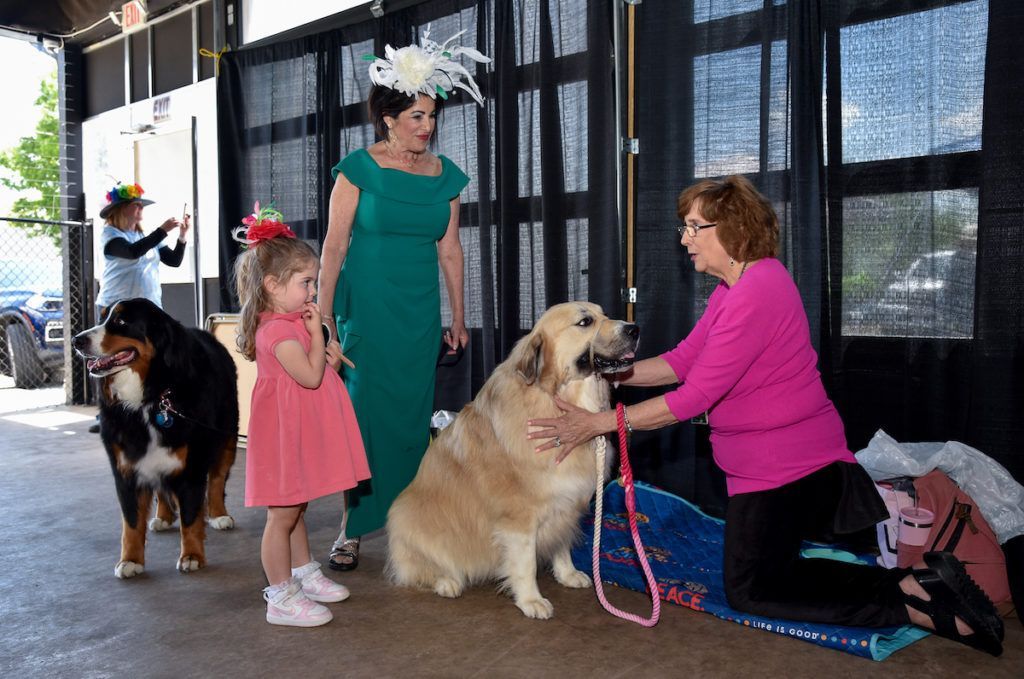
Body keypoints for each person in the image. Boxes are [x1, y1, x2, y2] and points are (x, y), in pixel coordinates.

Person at [527, 175, 1004, 655]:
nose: (684, 238)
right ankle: (918, 585)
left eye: (694, 226)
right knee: (776, 574)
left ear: (731, 228)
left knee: (752, 590)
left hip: (788, 469)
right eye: (684, 227)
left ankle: (916, 604)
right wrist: (605, 372)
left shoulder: (756, 293)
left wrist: (597, 423)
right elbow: (682, 361)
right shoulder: (734, 289)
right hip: (770, 467)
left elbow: (693, 397)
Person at [317, 30, 489, 571]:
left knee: (413, 421)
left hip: (418, 312)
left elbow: (451, 249)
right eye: (417, 115)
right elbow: (333, 247)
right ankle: (351, 526)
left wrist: (459, 315)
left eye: (431, 116)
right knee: (366, 416)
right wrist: (323, 317)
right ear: (388, 118)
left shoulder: (445, 176)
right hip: (367, 308)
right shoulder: (358, 169)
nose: (426, 125)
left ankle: (411, 524)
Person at [233, 204, 370, 627]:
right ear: (272, 285)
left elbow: (315, 375)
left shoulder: (290, 320)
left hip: (296, 432)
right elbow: (310, 377)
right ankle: (280, 595)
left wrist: (327, 356)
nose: (313, 291)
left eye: (313, 281)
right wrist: (316, 337)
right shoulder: (278, 330)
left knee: (296, 506)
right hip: (283, 436)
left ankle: (302, 571)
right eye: (305, 282)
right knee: (282, 515)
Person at [90, 182, 189, 433]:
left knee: (150, 356)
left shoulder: (146, 238)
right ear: (122, 209)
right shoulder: (111, 235)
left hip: (146, 309)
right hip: (116, 308)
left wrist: (181, 236)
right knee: (110, 357)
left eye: (141, 205)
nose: (140, 208)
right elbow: (133, 252)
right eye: (136, 205)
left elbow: (173, 261)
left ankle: (150, 407)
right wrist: (162, 231)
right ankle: (108, 413)